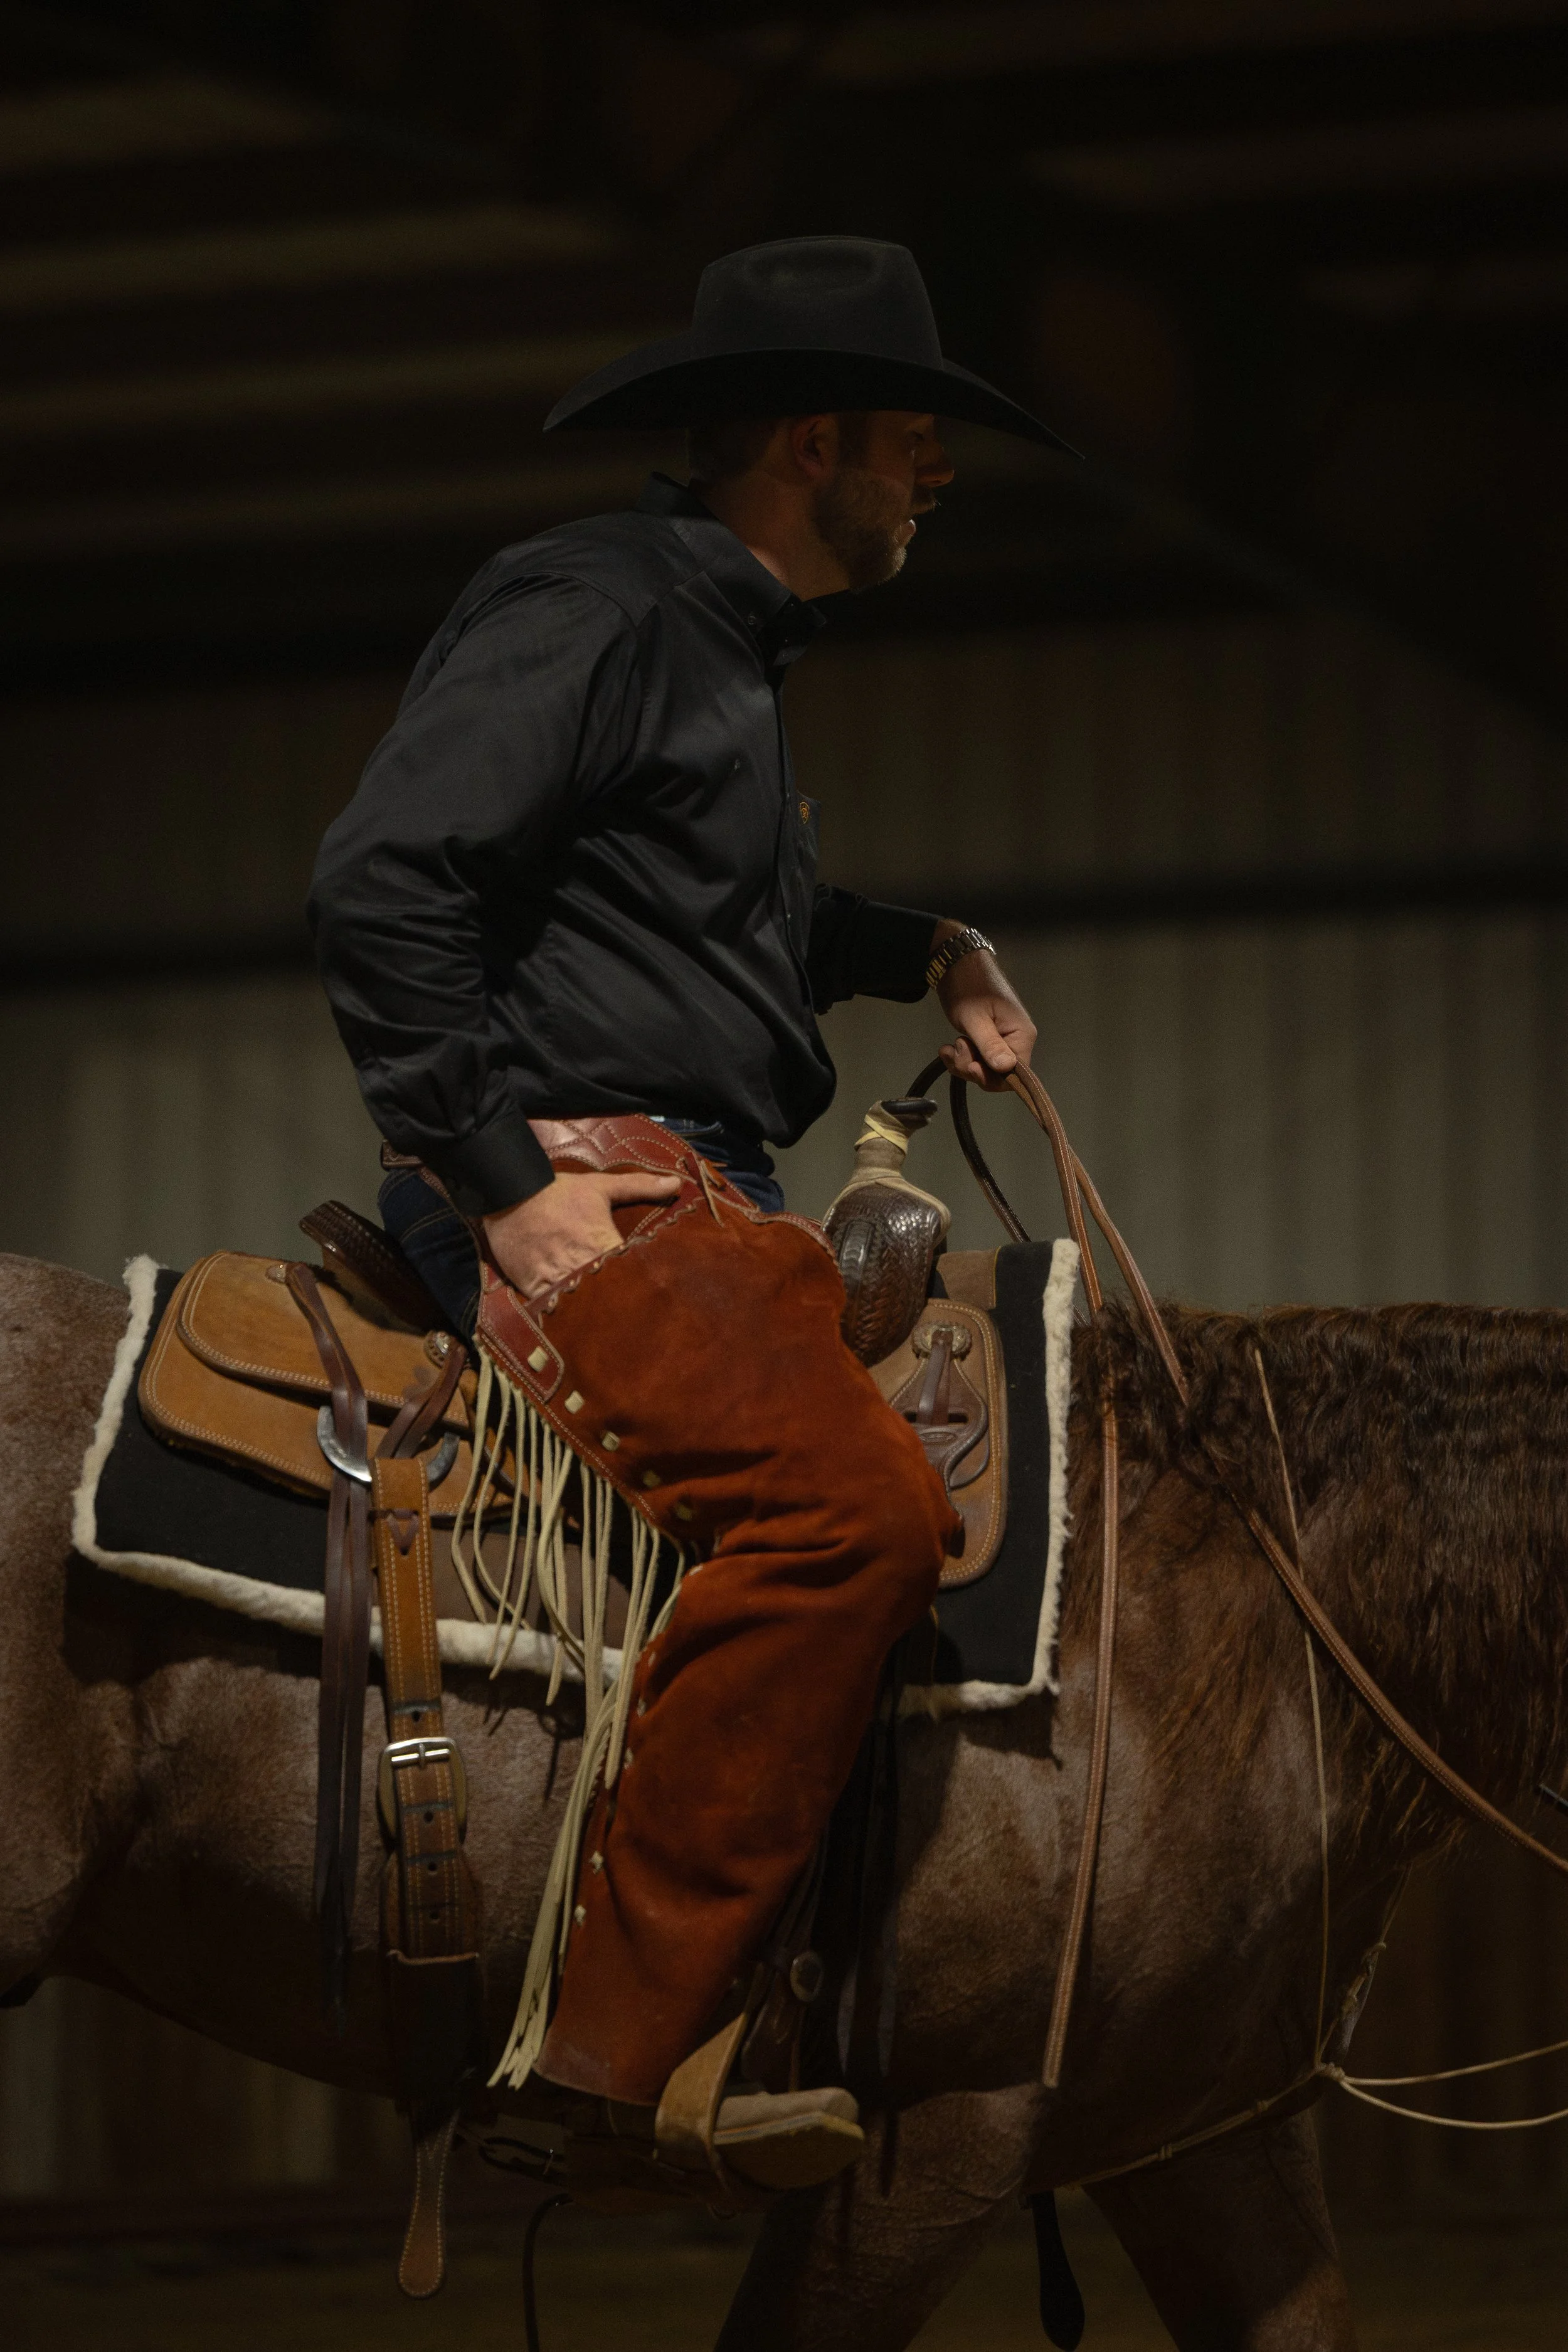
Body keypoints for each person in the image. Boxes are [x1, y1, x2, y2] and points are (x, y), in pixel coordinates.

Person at [309, 236, 1065, 2174]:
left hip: (692, 1168)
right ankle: (600, 2066)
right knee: (852, 1513)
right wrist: (504, 1188)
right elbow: (385, 881)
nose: (933, 481)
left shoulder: (711, 645)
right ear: (809, 440)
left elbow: (709, 925)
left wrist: (921, 948)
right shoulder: (601, 604)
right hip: (589, 1173)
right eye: (911, 443)